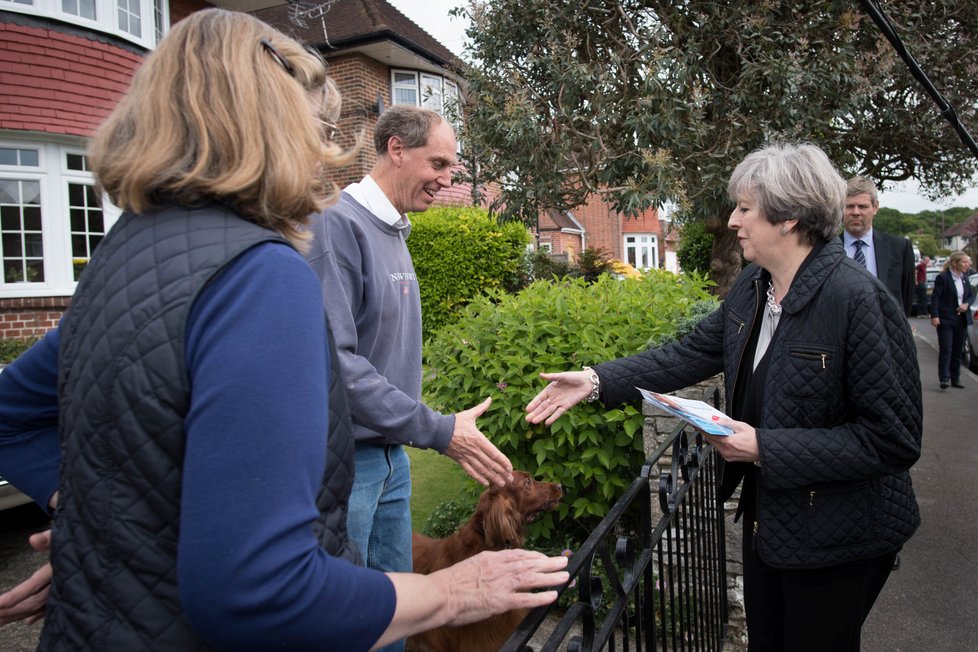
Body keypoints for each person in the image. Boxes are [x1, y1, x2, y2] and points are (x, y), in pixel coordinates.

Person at [0, 9, 567, 649]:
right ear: (275, 124)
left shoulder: (119, 258)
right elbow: (258, 588)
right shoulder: (260, 272)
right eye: (319, 124)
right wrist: (449, 591)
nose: (324, 148)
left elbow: (14, 415)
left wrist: (99, 521)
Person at [525, 143, 922, 652]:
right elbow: (692, 351)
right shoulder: (756, 285)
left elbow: (894, 440)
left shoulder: (857, 300)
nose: (733, 220)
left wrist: (765, 448)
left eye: (745, 208)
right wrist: (596, 380)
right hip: (774, 523)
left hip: (840, 541)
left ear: (789, 216)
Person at [305, 103, 513, 646]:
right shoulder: (336, 225)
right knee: (344, 618)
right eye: (438, 163)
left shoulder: (395, 229)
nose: (448, 180)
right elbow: (338, 363)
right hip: (347, 464)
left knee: (395, 611)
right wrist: (439, 429)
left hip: (392, 459)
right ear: (396, 148)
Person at [840, 176, 916, 316]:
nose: (856, 212)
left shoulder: (900, 248)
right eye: (849, 206)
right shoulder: (825, 249)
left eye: (863, 206)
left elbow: (906, 298)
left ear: (875, 208)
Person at [929, 251, 975, 389]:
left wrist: (966, 304)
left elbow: (972, 295)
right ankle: (944, 378)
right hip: (946, 319)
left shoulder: (965, 278)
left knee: (957, 350)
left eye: (968, 262)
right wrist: (934, 315)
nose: (968, 265)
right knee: (946, 349)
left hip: (961, 320)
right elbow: (935, 297)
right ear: (955, 263)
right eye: (965, 262)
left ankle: (956, 378)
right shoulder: (943, 278)